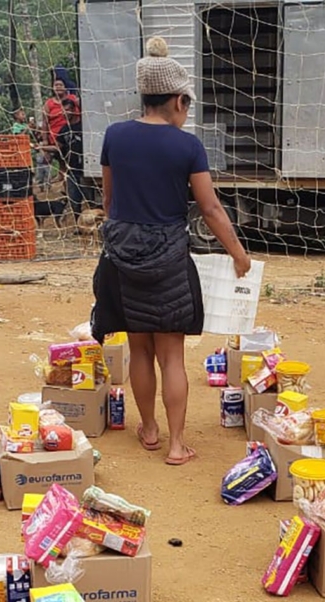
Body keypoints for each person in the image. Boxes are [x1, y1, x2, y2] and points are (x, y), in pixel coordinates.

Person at [91, 37, 251, 467]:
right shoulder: (188, 146)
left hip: (122, 252)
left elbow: (108, 200)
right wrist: (238, 253)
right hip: (167, 255)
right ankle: (177, 444)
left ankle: (148, 429)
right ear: (178, 100)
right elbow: (211, 208)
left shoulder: (115, 135)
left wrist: (127, 227)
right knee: (172, 354)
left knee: (139, 348)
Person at [57, 97, 85, 218]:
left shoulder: (84, 125)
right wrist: (42, 148)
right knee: (74, 200)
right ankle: (78, 225)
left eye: (67, 110)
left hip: (86, 169)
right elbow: (59, 149)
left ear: (74, 110)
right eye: (63, 110)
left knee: (90, 199)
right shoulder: (63, 130)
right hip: (72, 169)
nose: (64, 113)